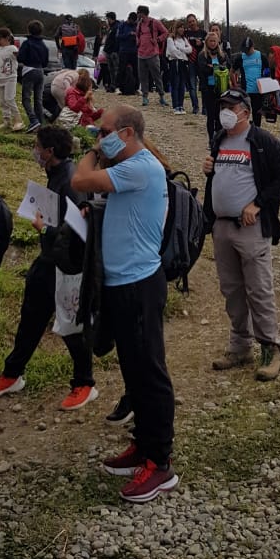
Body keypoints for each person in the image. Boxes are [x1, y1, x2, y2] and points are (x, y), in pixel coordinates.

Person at [72, 106, 178, 503]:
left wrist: (93, 150)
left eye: (105, 132)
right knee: (133, 371)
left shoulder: (141, 167)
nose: (100, 138)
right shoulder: (131, 167)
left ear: (127, 133)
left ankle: (160, 462)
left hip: (139, 285)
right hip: (121, 282)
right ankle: (144, 444)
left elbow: (80, 180)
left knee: (149, 372)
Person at [0, 127, 97, 410]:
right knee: (31, 317)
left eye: (37, 146)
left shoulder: (70, 181)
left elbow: (78, 231)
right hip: (49, 260)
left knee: (70, 325)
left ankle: (85, 383)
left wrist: (44, 229)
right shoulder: (57, 174)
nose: (35, 151)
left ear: (49, 151)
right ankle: (12, 373)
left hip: (67, 266)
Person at [203, 88, 280, 378]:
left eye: (231, 107)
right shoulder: (219, 138)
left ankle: (270, 347)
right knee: (231, 289)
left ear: (245, 111)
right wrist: (209, 170)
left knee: (258, 288)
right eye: (223, 107)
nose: (225, 113)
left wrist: (258, 204)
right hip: (222, 225)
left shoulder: (262, 140)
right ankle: (240, 346)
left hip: (250, 228)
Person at [197, 28, 229, 141]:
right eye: (210, 41)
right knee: (210, 115)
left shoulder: (222, 55)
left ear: (218, 42)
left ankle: (219, 138)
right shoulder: (202, 55)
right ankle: (211, 139)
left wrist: (212, 67)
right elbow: (203, 69)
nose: (213, 43)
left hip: (221, 88)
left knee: (220, 115)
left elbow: (227, 67)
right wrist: (217, 68)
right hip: (208, 88)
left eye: (215, 41)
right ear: (206, 42)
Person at [18, 20, 49, 133]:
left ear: (29, 30)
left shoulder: (27, 43)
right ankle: (41, 123)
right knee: (38, 99)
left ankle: (33, 120)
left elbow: (20, 58)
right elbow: (45, 62)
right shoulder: (44, 45)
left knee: (26, 98)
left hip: (29, 70)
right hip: (40, 71)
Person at [0, 27, 24, 132]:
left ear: (7, 38)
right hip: (0, 79)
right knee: (2, 101)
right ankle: (6, 121)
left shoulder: (12, 48)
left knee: (9, 99)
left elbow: (19, 56)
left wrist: (20, 55)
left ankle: (18, 121)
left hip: (10, 78)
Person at [231, 36, 268, 127]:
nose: (246, 52)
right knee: (243, 113)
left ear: (252, 46)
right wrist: (235, 84)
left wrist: (266, 84)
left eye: (248, 50)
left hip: (258, 91)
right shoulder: (240, 57)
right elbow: (232, 71)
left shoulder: (261, 56)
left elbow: (267, 70)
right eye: (245, 50)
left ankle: (256, 131)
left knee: (257, 115)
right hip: (245, 91)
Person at [136, 6, 168, 107]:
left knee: (156, 76)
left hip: (153, 54)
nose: (137, 14)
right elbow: (137, 35)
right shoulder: (139, 24)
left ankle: (161, 96)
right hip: (141, 54)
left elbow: (165, 32)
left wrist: (157, 40)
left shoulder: (155, 22)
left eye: (138, 12)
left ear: (143, 13)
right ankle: (145, 97)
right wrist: (138, 41)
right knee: (143, 77)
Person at [165, 20, 192, 113]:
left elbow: (190, 49)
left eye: (183, 27)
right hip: (175, 62)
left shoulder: (184, 39)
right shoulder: (170, 39)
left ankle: (181, 105)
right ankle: (175, 105)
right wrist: (182, 53)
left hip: (183, 63)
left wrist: (180, 49)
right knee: (175, 84)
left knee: (182, 85)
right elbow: (173, 51)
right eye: (180, 27)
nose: (182, 29)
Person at [183, 13, 204, 114]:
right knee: (192, 86)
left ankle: (205, 107)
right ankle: (195, 107)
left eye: (193, 21)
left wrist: (202, 43)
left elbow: (209, 44)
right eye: (189, 22)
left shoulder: (203, 33)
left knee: (203, 86)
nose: (192, 23)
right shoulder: (186, 33)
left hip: (202, 62)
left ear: (196, 20)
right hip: (191, 62)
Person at [116, 12, 139, 94]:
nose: (134, 23)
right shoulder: (122, 25)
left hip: (134, 51)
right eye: (133, 21)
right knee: (121, 69)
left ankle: (136, 88)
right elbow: (118, 36)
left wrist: (136, 36)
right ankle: (118, 87)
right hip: (124, 51)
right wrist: (129, 34)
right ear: (129, 19)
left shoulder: (136, 26)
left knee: (136, 70)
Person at [102, 12, 120, 93]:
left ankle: (116, 85)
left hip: (113, 51)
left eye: (108, 19)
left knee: (115, 69)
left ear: (111, 18)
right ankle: (112, 85)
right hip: (109, 51)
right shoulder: (111, 27)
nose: (107, 20)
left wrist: (115, 49)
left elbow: (116, 39)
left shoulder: (116, 27)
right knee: (111, 70)